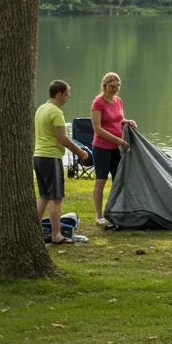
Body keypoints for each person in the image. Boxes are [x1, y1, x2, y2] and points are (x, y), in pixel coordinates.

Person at [34, 80, 90, 245]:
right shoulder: (56, 112)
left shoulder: (41, 109)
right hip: (51, 158)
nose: (68, 97)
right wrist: (80, 152)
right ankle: (56, 235)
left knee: (44, 196)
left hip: (38, 156)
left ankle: (33, 231)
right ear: (59, 94)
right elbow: (62, 138)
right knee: (56, 198)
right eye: (67, 94)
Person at [90, 71, 137, 226]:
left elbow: (118, 119)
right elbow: (97, 129)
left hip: (116, 147)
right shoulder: (98, 102)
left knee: (118, 180)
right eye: (112, 86)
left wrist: (127, 122)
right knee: (101, 180)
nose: (115, 89)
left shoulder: (118, 101)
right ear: (105, 86)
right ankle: (98, 215)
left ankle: (116, 210)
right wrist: (118, 140)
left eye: (117, 86)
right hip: (102, 147)